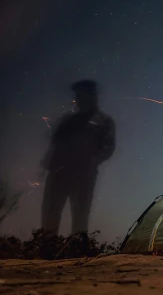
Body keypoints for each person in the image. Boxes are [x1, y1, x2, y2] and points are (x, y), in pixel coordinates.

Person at [40, 80, 116, 239]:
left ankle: (77, 253)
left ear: (93, 96)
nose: (80, 99)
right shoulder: (68, 119)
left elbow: (108, 148)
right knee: (50, 214)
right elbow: (56, 141)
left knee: (80, 217)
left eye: (84, 95)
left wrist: (92, 160)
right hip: (58, 173)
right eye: (78, 95)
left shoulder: (104, 121)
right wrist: (49, 163)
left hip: (83, 176)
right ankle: (47, 250)